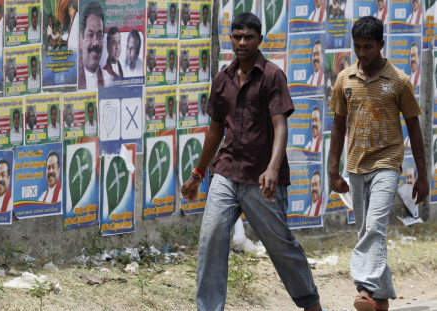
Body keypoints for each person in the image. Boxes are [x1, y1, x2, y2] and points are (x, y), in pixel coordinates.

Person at [181, 13, 323, 311]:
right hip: (227, 171)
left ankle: (310, 303)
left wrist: (272, 168)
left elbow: (281, 125)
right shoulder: (223, 79)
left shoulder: (272, 75)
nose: (242, 42)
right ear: (230, 38)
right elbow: (216, 131)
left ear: (260, 39)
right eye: (236, 36)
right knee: (211, 239)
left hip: (261, 178)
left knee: (280, 245)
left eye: (248, 37)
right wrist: (197, 173)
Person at [328, 16, 428, 311]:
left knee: (375, 225)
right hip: (356, 165)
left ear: (381, 45)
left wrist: (423, 177)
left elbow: (414, 128)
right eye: (357, 46)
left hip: (387, 163)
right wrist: (333, 170)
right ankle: (381, 298)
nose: (362, 53)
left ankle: (364, 288)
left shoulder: (399, 81)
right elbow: (337, 126)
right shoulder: (344, 79)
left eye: (368, 47)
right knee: (365, 231)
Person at [78, 1, 104, 90]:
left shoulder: (109, 77)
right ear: (81, 41)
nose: (95, 42)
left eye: (99, 36)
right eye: (90, 35)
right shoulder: (73, 78)